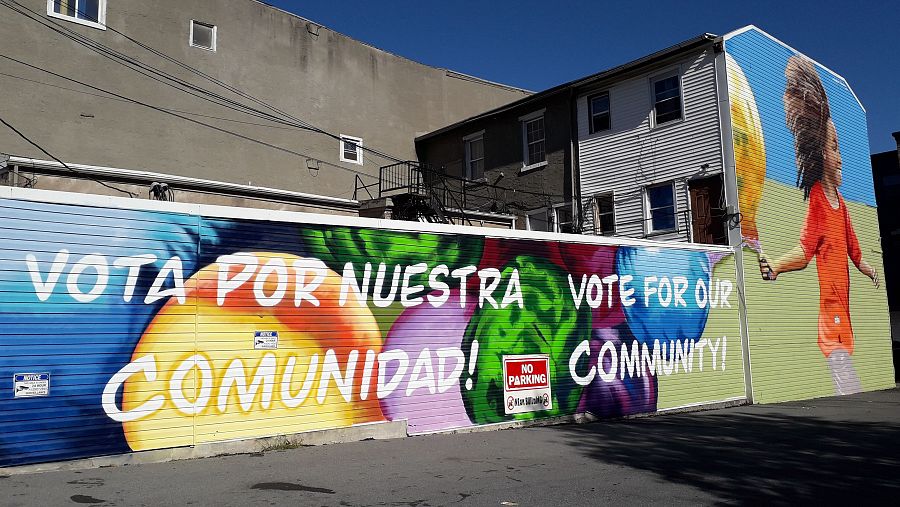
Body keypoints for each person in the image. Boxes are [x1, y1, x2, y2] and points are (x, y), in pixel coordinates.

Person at [758, 56, 878, 396]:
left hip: (846, 317)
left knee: (851, 388)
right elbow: (805, 250)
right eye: (834, 148)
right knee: (847, 382)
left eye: (839, 148)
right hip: (831, 319)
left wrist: (869, 269)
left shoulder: (842, 206)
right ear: (818, 154)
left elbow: (855, 249)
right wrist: (777, 266)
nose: (841, 157)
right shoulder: (818, 201)